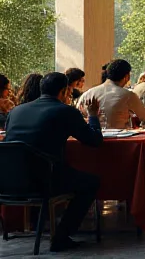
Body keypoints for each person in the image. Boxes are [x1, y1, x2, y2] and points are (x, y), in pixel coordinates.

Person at [4, 72, 103, 251]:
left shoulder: (16, 111)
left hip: (8, 182)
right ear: (65, 91)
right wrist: (93, 116)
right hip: (45, 180)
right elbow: (94, 141)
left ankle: (38, 224)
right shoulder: (65, 111)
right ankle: (61, 236)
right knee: (91, 182)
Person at [77, 60, 145, 128]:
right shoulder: (128, 95)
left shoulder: (87, 93)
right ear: (127, 76)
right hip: (118, 142)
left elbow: (77, 115)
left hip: (91, 141)